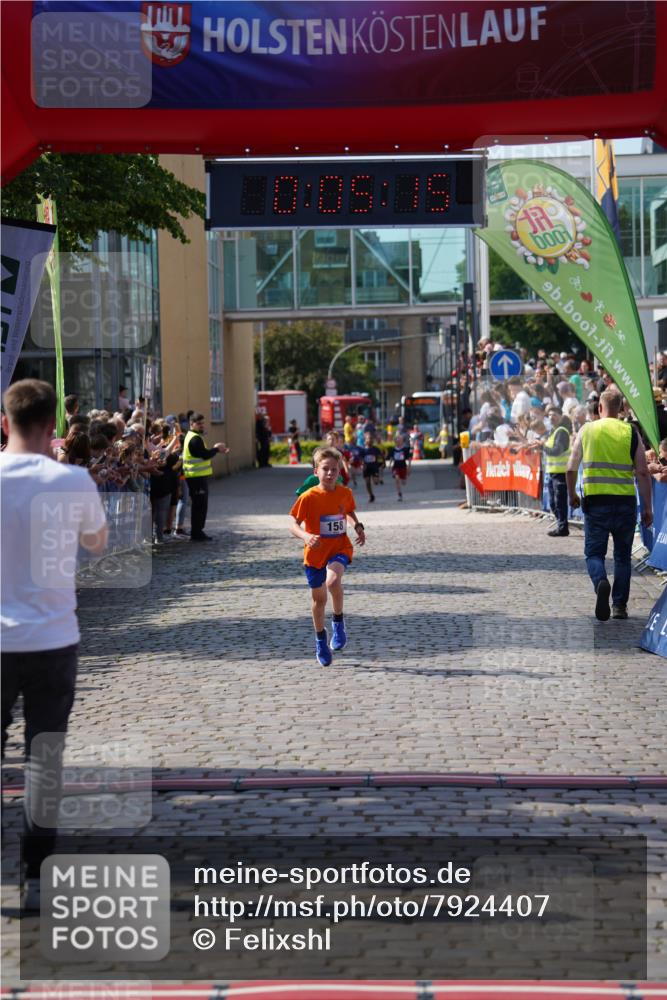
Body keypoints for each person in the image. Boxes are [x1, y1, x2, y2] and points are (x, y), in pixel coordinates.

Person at [1, 379, 108, 910]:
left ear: (5, 422)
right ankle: (37, 875)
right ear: (52, 429)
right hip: (53, 638)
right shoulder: (74, 480)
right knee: (45, 760)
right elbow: (97, 542)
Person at [566, 388, 653, 621]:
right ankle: (619, 606)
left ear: (600, 408)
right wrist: (647, 507)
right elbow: (643, 472)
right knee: (623, 556)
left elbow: (571, 467)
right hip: (625, 502)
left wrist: (572, 494)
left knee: (594, 553)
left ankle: (601, 581)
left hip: (595, 502)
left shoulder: (587, 430)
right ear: (621, 409)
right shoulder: (630, 432)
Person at [289, 446, 365, 665]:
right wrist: (305, 535)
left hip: (340, 547)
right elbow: (292, 523)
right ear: (316, 472)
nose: (330, 473)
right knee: (319, 599)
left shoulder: (345, 493)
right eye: (326, 469)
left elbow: (348, 511)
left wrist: (358, 526)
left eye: (334, 469)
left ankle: (338, 623)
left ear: (340, 472)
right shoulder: (308, 497)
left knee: (333, 580)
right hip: (314, 553)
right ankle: (321, 640)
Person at [182, 412, 229, 541]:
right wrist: (216, 449)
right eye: (199, 423)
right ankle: (197, 532)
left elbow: (202, 454)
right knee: (199, 505)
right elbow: (205, 455)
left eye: (203, 423)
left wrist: (214, 449)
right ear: (191, 424)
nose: (202, 425)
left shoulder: (194, 436)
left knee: (199, 505)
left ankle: (197, 531)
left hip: (196, 476)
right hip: (196, 477)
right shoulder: (195, 438)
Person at [542, 407, 572, 537]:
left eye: (554, 415)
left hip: (561, 473)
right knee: (553, 502)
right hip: (552, 472)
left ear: (560, 416)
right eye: (549, 415)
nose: (551, 417)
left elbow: (557, 451)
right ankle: (561, 524)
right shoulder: (553, 432)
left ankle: (563, 527)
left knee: (559, 501)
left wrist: (542, 447)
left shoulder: (561, 432)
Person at [361, 430, 383, 502]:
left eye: (371, 439)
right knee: (367, 482)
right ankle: (371, 495)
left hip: (374, 467)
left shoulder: (375, 449)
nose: (369, 440)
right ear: (365, 440)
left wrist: (382, 464)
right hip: (366, 468)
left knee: (376, 482)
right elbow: (360, 458)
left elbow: (381, 457)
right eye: (368, 439)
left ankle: (377, 478)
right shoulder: (363, 450)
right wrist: (361, 464)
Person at [390, 433, 411, 501]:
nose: (398, 442)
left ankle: (404, 478)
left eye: (399, 440)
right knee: (397, 479)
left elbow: (408, 459)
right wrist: (390, 465)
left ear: (402, 441)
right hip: (396, 466)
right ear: (395, 442)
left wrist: (409, 467)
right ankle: (399, 494)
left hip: (403, 466)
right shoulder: (393, 449)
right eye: (397, 440)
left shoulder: (405, 449)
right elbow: (392, 458)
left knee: (403, 482)